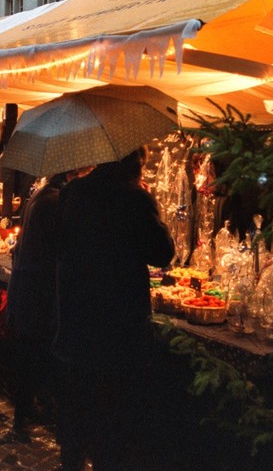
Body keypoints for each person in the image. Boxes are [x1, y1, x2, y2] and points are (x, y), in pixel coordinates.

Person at [53, 147, 175, 470]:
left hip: (77, 320)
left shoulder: (73, 192)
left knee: (77, 412)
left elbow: (59, 242)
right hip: (118, 329)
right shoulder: (134, 199)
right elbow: (163, 254)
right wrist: (153, 210)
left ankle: (72, 462)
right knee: (113, 422)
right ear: (135, 164)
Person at [5, 167, 92, 442]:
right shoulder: (55, 201)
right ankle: (35, 417)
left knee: (27, 355)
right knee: (37, 356)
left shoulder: (43, 195)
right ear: (73, 173)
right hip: (39, 292)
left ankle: (24, 414)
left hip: (28, 288)